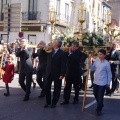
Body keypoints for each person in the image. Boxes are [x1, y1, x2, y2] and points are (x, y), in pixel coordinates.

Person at [44, 38, 66, 108]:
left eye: (54, 42)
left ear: (57, 44)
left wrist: (62, 74)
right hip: (49, 72)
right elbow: (42, 53)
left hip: (57, 73)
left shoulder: (62, 53)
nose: (52, 43)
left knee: (57, 89)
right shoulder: (49, 51)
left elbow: (63, 64)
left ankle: (54, 102)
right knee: (47, 87)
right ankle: (48, 102)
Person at [90, 49, 112, 116]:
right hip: (96, 81)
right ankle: (100, 104)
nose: (99, 55)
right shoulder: (96, 61)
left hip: (103, 82)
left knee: (100, 96)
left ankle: (98, 109)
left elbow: (109, 73)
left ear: (104, 55)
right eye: (98, 54)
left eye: (101, 54)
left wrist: (108, 82)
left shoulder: (107, 63)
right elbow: (93, 69)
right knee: (95, 94)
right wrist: (90, 64)